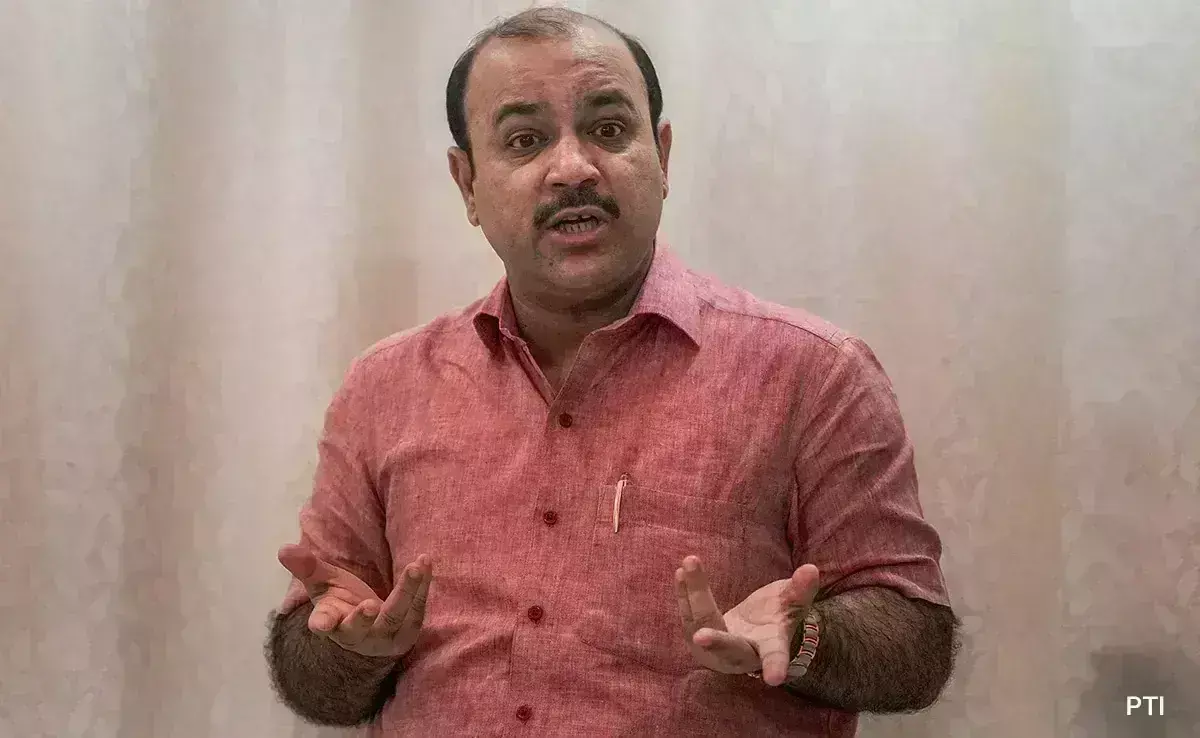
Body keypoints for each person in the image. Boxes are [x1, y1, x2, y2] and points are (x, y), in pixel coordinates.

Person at [264, 7, 959, 737]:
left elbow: (917, 647)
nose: (573, 168)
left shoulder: (813, 374)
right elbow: (315, 679)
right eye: (525, 140)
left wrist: (808, 637)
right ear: (467, 183)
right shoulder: (385, 387)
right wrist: (345, 650)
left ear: (662, 156)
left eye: (608, 128)